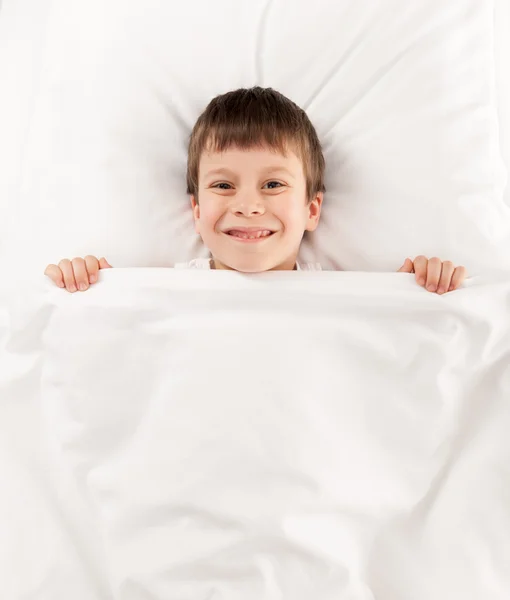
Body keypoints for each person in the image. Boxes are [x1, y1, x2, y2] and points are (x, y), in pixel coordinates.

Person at [44, 86, 466, 294]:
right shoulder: (165, 291)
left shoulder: (339, 293)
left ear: (312, 210)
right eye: (223, 185)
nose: (247, 205)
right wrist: (78, 287)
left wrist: (415, 294)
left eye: (273, 184)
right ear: (195, 210)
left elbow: (382, 355)